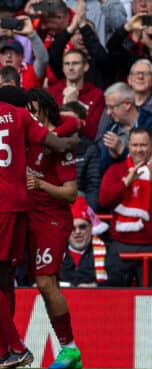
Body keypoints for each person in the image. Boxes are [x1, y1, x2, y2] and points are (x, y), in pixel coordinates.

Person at [0, 68, 77, 369]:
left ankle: (16, 346)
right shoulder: (18, 116)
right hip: (21, 205)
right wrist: (74, 137)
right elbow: (60, 144)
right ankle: (2, 349)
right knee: (3, 279)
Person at [24, 88, 82, 369]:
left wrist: (41, 185)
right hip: (29, 220)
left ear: (46, 110)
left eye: (35, 110)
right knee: (47, 285)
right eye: (28, 111)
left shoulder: (60, 144)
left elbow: (71, 193)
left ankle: (70, 348)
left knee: (45, 282)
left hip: (53, 220)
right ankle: (66, 349)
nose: (31, 116)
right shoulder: (28, 139)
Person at [99, 127, 152, 286]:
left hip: (150, 245)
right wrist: (125, 183)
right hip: (120, 244)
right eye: (135, 145)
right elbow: (104, 200)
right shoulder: (116, 170)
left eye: (143, 145)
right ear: (128, 145)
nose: (139, 150)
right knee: (116, 301)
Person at [61, 196, 127, 287]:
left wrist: (95, 286)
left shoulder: (108, 250)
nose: (77, 232)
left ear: (91, 227)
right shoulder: (55, 253)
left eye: (82, 227)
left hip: (97, 299)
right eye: (72, 228)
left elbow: (119, 281)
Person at [48, 49, 104, 141]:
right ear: (62, 68)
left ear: (85, 66)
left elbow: (93, 132)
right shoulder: (51, 92)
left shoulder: (96, 94)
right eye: (67, 64)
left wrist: (74, 105)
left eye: (75, 63)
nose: (70, 68)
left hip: (83, 148)